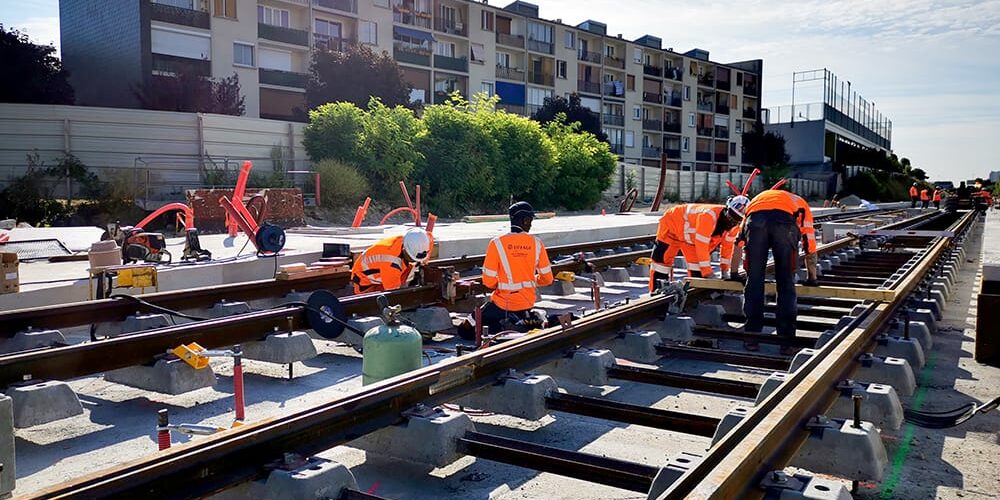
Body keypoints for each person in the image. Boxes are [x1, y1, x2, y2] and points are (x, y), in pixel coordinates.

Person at [740, 189, 818, 352]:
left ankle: (751, 338)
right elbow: (809, 244)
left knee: (754, 280)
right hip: (785, 224)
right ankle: (786, 342)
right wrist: (812, 277)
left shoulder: (757, 201)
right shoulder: (800, 203)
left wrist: (733, 273)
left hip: (755, 221)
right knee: (785, 282)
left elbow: (739, 240)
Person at [480, 202, 554, 335]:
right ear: (525, 220)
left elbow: (488, 281)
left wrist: (502, 284)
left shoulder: (496, 243)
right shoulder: (537, 243)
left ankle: (502, 328)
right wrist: (531, 280)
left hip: (502, 304)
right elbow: (547, 279)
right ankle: (512, 326)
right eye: (530, 221)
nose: (531, 225)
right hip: (526, 303)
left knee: (465, 329)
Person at [648, 196, 749, 292]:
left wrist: (724, 271)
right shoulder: (709, 216)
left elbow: (727, 248)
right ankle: (656, 292)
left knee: (697, 272)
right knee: (661, 264)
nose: (732, 220)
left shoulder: (734, 227)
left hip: (690, 240)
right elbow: (702, 246)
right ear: (727, 208)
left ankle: (690, 296)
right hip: (672, 226)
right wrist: (708, 273)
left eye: (737, 219)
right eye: (731, 215)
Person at [351, 228, 432, 294]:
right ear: (405, 249)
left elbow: (429, 236)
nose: (414, 261)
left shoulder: (415, 240)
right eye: (412, 258)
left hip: (382, 273)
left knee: (409, 268)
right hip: (364, 282)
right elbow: (394, 294)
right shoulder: (391, 263)